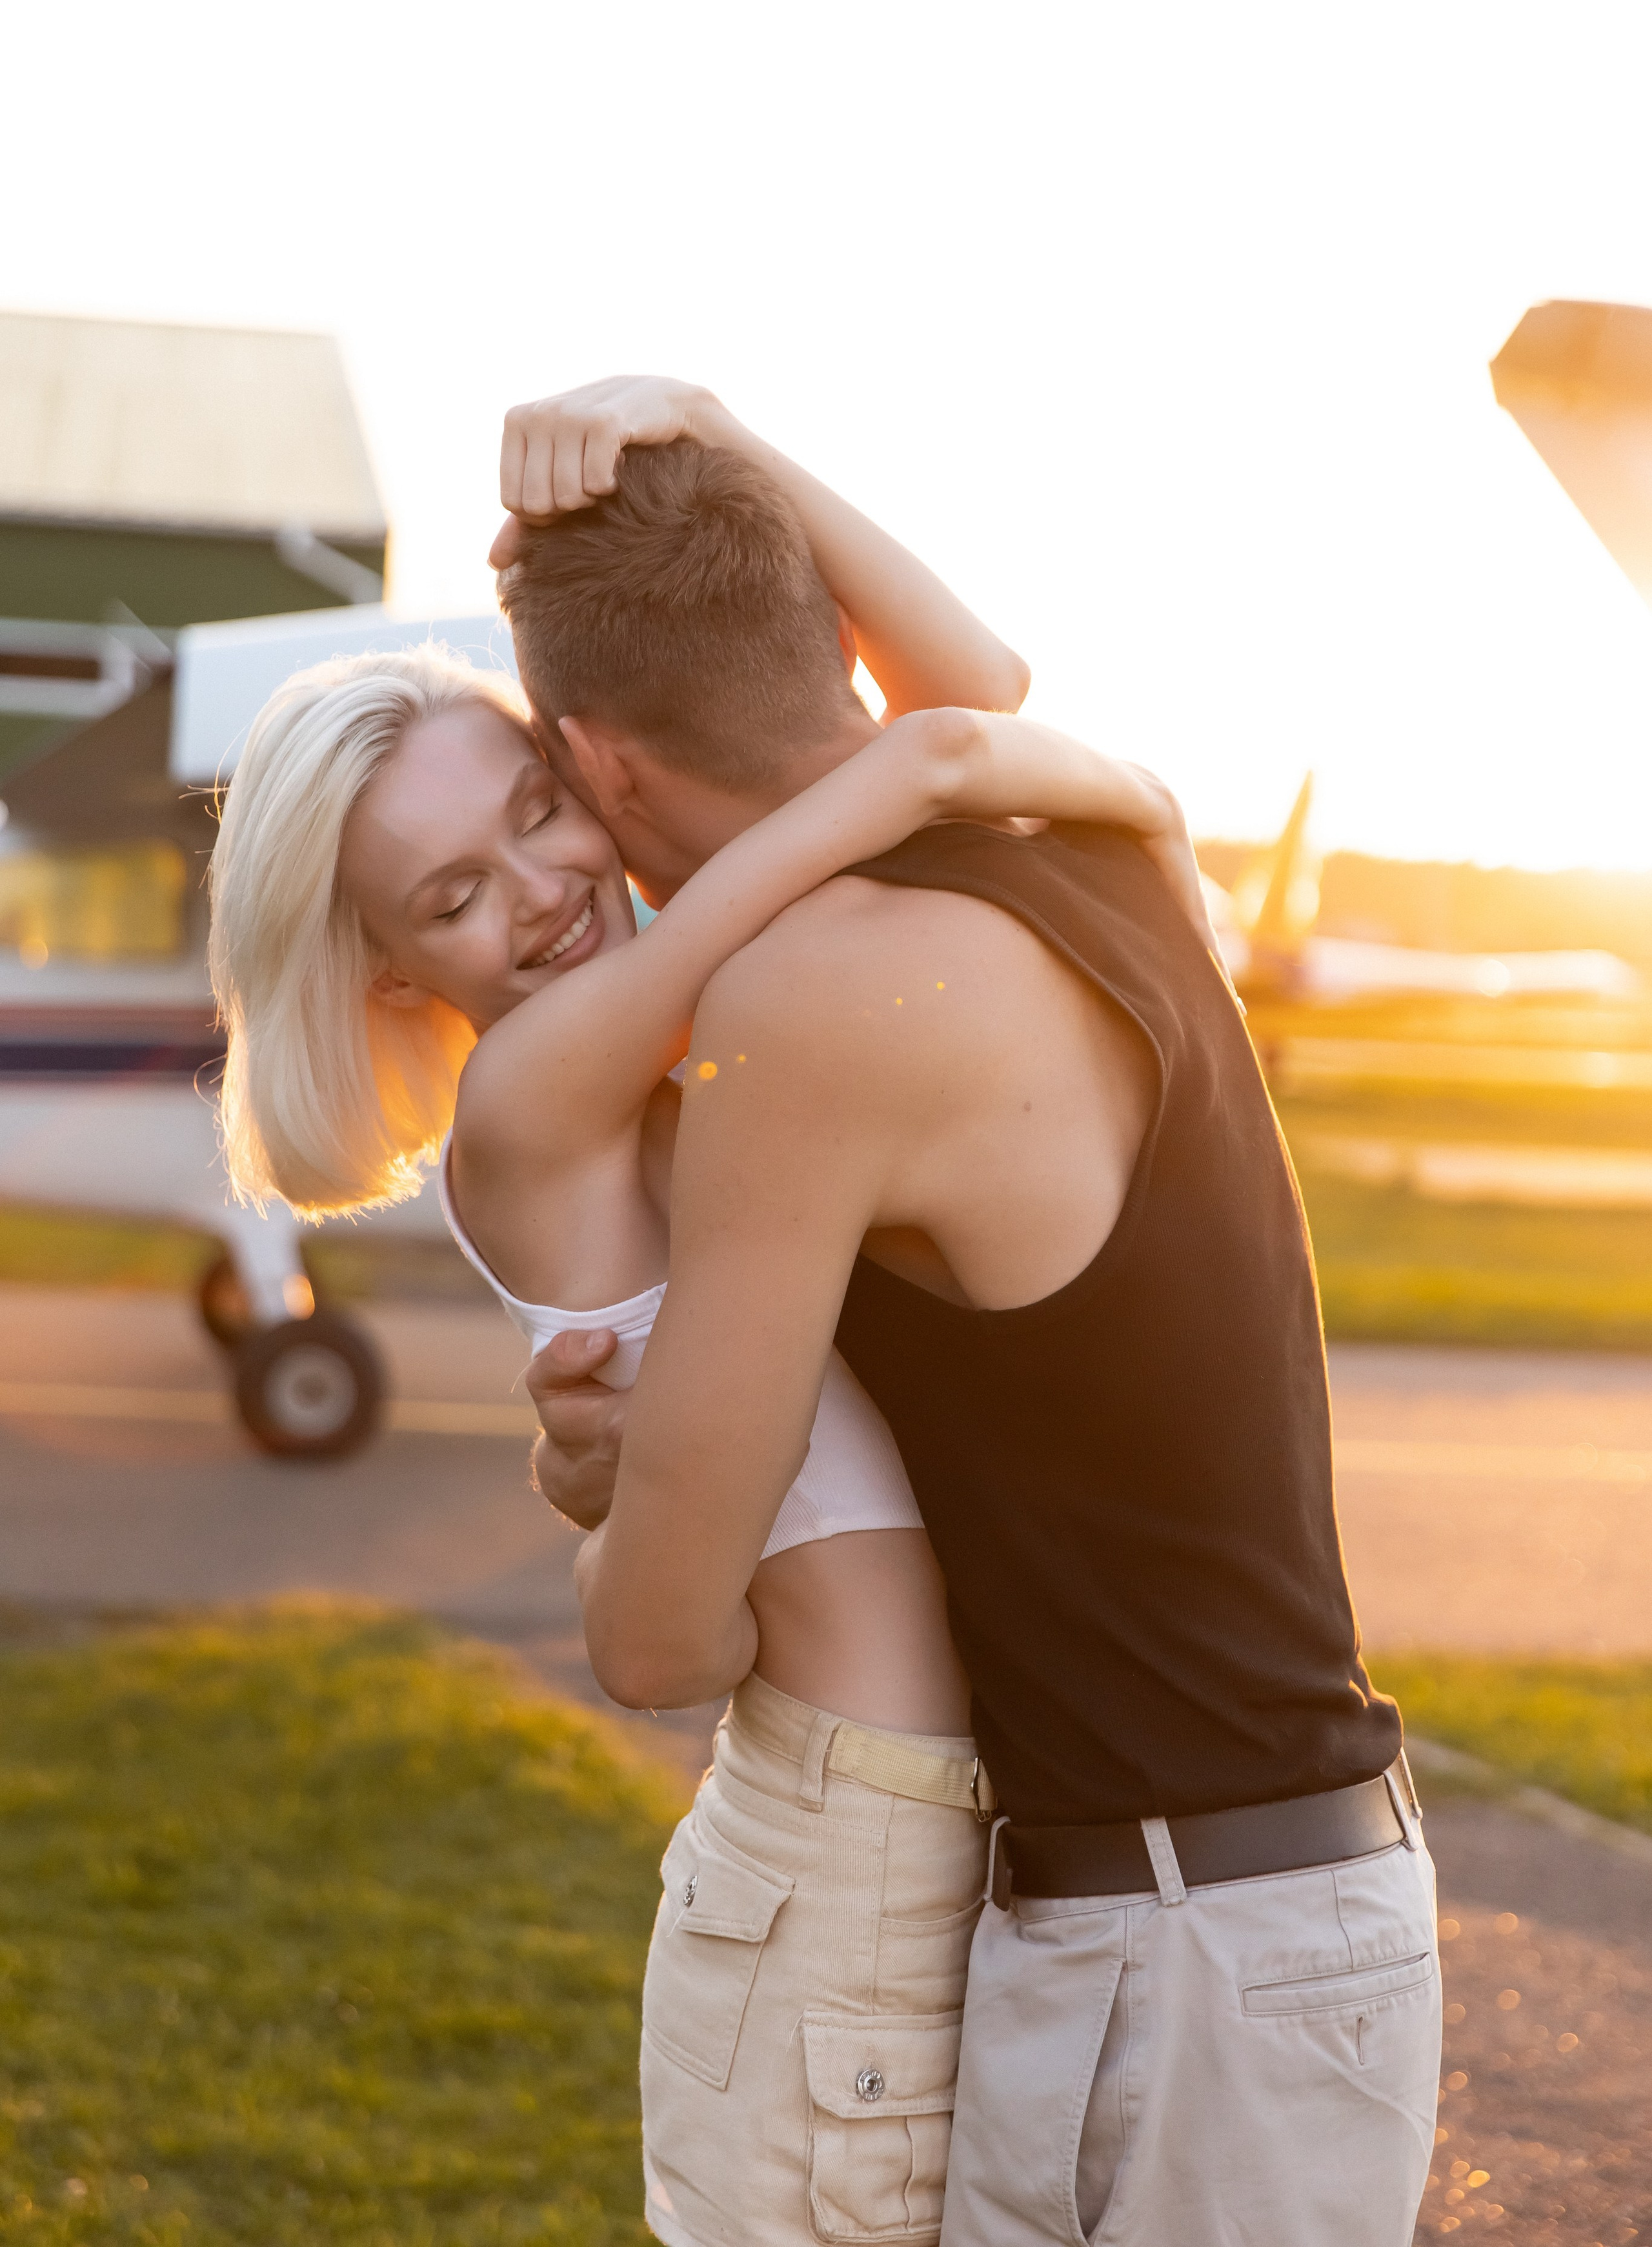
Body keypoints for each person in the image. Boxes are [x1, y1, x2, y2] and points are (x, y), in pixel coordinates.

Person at [206, 415, 1212, 2247]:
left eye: (534, 808)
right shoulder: (533, 1096)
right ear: (384, 973)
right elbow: (934, 735)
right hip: (841, 1844)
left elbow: (958, 685)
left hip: (929, 1831)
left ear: (593, 765)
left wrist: (721, 440)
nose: (542, 890)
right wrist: (967, 766)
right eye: (453, 897)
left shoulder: (692, 1033)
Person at [505, 379, 1444, 2247]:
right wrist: (712, 435)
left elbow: (660, 1643)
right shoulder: (1095, 847)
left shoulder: (810, 1003)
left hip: (1172, 1958)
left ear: (601, 765)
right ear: (823, 642)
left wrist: (626, 1479)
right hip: (1266, 1916)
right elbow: (981, 679)